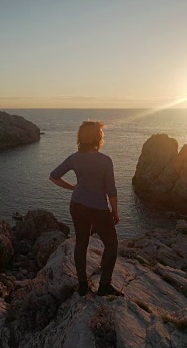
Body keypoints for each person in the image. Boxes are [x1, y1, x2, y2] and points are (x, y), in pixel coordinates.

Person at [49, 120, 121, 296]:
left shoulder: (74, 158)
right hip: (98, 208)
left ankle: (82, 285)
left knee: (81, 243)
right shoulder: (105, 160)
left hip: (77, 205)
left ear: (80, 137)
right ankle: (104, 286)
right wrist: (115, 211)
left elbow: (53, 176)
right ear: (98, 137)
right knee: (111, 244)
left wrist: (73, 188)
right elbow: (111, 189)